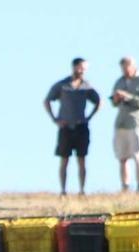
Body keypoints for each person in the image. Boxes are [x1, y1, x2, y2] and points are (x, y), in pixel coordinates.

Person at [44, 58, 101, 196]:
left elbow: (98, 101)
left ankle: (82, 190)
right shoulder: (62, 85)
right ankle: (63, 190)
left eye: (84, 69)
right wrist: (55, 119)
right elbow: (47, 101)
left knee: (82, 159)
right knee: (64, 159)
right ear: (74, 67)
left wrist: (89, 117)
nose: (82, 71)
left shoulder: (87, 86)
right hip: (65, 127)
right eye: (80, 68)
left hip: (81, 126)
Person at [111, 57, 139, 193]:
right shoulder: (119, 81)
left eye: (126, 67)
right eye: (122, 68)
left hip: (136, 123)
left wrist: (128, 96)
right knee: (122, 156)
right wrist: (116, 98)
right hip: (121, 122)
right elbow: (114, 102)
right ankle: (125, 187)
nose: (125, 70)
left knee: (138, 155)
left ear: (133, 66)